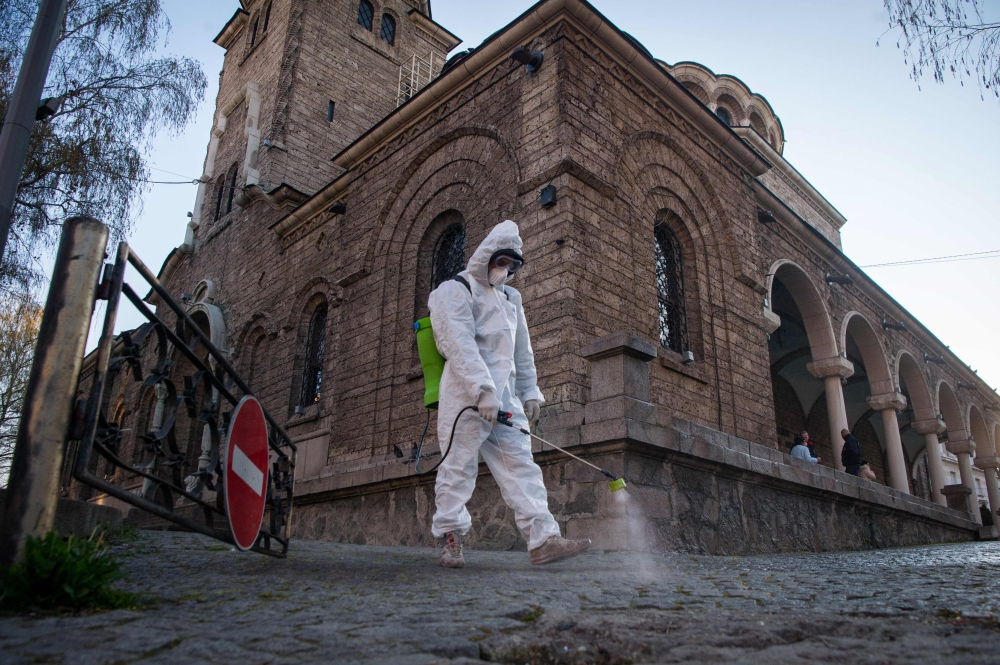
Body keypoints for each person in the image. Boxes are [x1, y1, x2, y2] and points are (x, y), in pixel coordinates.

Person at [428, 220, 591, 569]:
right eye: (501, 261)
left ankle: (543, 540)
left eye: (512, 265)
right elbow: (457, 343)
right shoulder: (455, 290)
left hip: (505, 400)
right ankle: (451, 539)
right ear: (486, 256)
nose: (505, 270)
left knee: (522, 467)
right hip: (464, 396)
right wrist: (481, 390)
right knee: (458, 469)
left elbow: (521, 352)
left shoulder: (510, 299)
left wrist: (529, 390)